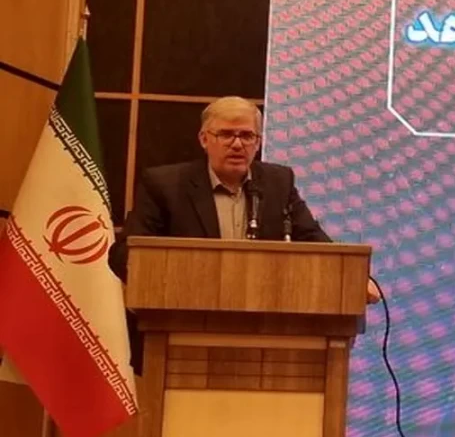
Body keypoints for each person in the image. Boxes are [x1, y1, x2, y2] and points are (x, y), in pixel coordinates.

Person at [108, 96, 380, 307]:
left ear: (258, 142)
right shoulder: (166, 185)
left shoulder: (278, 183)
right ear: (204, 139)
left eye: (247, 136)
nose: (237, 144)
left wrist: (353, 279)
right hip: (183, 316)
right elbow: (123, 255)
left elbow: (314, 241)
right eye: (226, 134)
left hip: (265, 321)